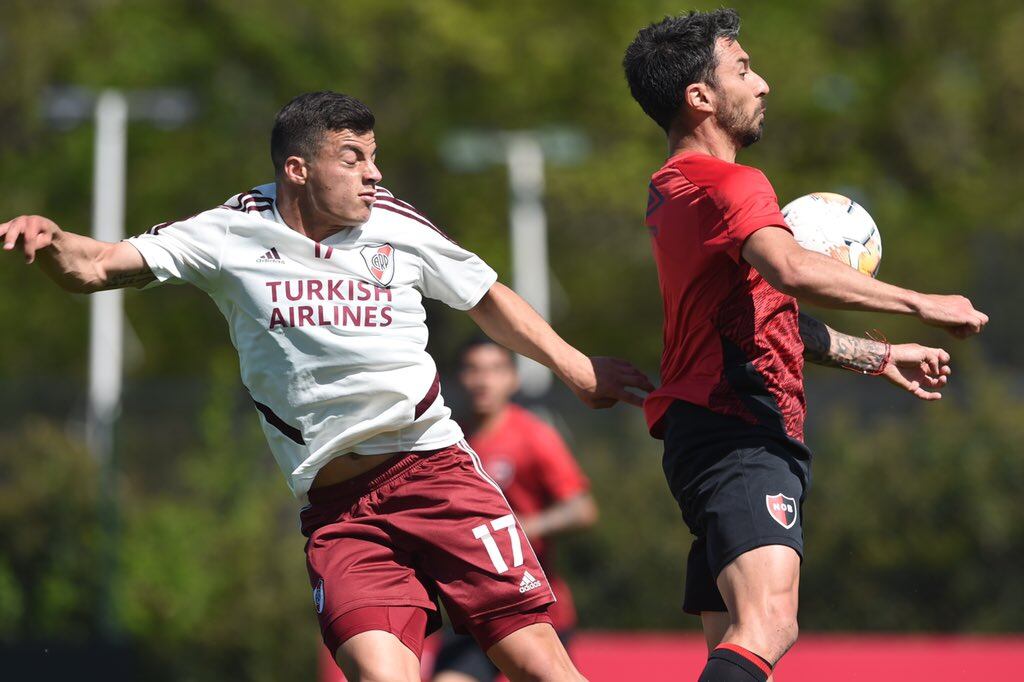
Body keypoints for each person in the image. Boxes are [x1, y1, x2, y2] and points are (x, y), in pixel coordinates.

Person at [0, 91, 654, 682]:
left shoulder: (395, 224)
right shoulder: (231, 231)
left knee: (539, 667)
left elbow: (485, 296)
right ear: (298, 169)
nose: (374, 174)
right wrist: (53, 240)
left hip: (435, 474)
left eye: (375, 158)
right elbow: (96, 265)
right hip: (340, 511)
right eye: (354, 158)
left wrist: (575, 367)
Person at [622, 10, 987, 682]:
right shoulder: (730, 184)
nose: (762, 84)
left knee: (734, 639)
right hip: (739, 435)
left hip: (709, 433)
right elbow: (790, 271)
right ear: (699, 96)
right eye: (742, 69)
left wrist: (879, 356)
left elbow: (761, 317)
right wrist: (924, 303)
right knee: (771, 622)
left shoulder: (673, 190)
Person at [432, 338, 598, 682]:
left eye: (494, 370)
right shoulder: (447, 440)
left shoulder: (533, 435)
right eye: (473, 370)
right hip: (472, 607)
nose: (483, 380)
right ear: (459, 378)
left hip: (534, 603)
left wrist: (521, 527)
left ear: (512, 379)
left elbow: (582, 508)